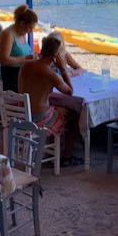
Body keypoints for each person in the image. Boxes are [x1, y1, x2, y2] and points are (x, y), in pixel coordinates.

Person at [18, 35, 81, 167]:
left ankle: (51, 153)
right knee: (73, 115)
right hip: (38, 119)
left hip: (21, 114)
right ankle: (66, 157)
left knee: (57, 109)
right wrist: (63, 69)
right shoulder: (50, 74)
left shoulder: (26, 65)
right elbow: (70, 91)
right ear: (56, 56)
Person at [0, 5, 35, 92]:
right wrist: (26, 59)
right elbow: (3, 60)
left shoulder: (22, 34)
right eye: (30, 28)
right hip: (9, 77)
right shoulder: (8, 34)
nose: (31, 31)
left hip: (20, 76)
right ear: (22, 24)